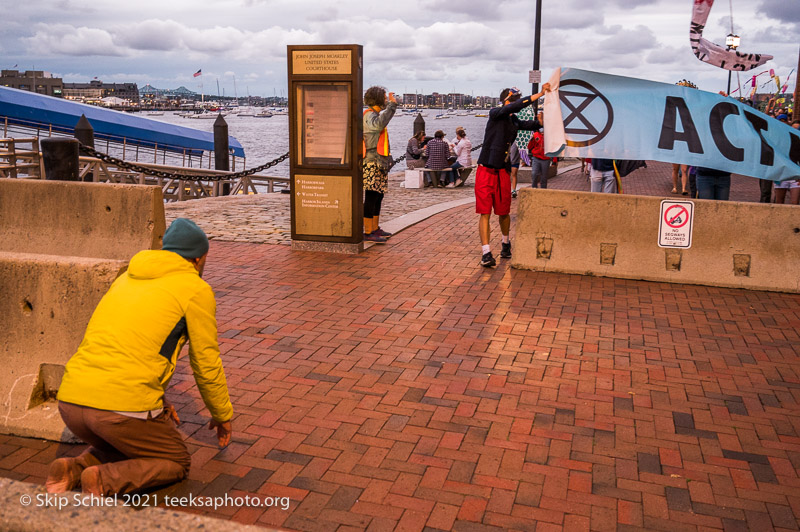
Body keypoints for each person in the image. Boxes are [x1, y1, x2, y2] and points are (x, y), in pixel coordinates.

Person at [47, 218, 233, 496]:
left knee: (124, 444)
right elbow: (206, 361)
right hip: (118, 410)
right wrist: (222, 414)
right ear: (197, 259)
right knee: (175, 460)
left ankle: (73, 467)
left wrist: (158, 399)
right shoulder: (195, 289)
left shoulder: (126, 278)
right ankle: (103, 479)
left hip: (71, 403)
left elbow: (128, 348)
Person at [476, 84, 549, 267]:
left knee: (504, 212)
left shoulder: (513, 121)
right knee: (485, 212)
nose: (516, 104)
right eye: (514, 101)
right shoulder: (495, 113)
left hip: (502, 171)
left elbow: (531, 125)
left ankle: (505, 243)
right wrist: (538, 94)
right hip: (486, 169)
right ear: (506, 101)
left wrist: (541, 121)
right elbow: (512, 107)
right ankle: (486, 252)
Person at [363, 86, 398, 243]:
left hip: (379, 162)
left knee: (378, 195)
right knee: (371, 195)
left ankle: (375, 228)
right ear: (377, 98)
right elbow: (378, 125)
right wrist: (392, 106)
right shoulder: (369, 116)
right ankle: (368, 231)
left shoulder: (374, 115)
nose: (386, 99)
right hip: (371, 162)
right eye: (384, 97)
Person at [527, 111, 557, 189]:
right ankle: (534, 188)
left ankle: (543, 191)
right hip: (536, 158)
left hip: (546, 159)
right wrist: (532, 139)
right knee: (534, 174)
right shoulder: (536, 134)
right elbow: (529, 147)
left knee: (544, 177)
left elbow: (553, 147)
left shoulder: (549, 135)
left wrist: (554, 160)